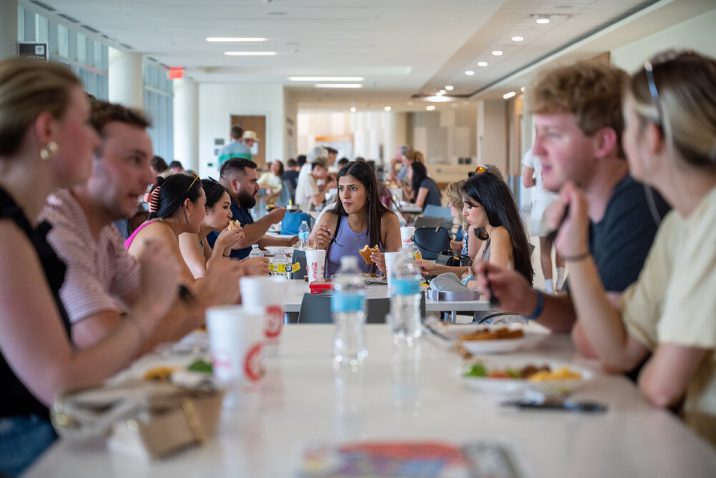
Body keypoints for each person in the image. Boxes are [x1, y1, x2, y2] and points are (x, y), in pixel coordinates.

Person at [0, 58, 179, 476]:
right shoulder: (7, 232)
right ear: (47, 131)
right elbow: (60, 381)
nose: (94, 141)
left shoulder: (26, 225)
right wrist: (151, 308)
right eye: (84, 123)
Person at [553, 50, 716, 446]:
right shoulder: (681, 224)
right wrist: (576, 254)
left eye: (627, 126)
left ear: (652, 138)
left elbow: (661, 388)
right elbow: (618, 351)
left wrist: (649, 371)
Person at [473, 61, 669, 344]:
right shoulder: (587, 209)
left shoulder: (636, 211)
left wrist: (575, 255)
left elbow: (603, 342)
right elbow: (580, 314)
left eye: (552, 134)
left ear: (603, 143)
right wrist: (530, 301)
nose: (537, 151)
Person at [42, 99, 219, 352]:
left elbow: (168, 312)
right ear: (84, 157)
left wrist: (203, 298)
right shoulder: (57, 229)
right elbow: (106, 345)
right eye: (134, 160)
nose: (149, 177)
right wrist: (211, 295)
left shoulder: (105, 231)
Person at [125, 174, 242, 305]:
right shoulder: (160, 230)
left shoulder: (164, 228)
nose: (204, 213)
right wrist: (243, 269)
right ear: (187, 206)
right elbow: (191, 292)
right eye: (204, 205)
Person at [309, 161, 401, 276]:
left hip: (375, 293)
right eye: (341, 188)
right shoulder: (329, 218)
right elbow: (313, 274)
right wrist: (319, 249)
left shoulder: (387, 221)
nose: (345, 195)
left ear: (368, 191)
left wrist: (388, 268)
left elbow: (400, 274)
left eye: (353, 188)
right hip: (333, 292)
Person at [209, 158, 297, 260]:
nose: (258, 187)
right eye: (253, 181)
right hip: (231, 270)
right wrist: (270, 218)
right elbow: (238, 240)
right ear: (235, 184)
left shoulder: (239, 201)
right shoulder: (219, 202)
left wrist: (287, 242)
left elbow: (254, 238)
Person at [179, 178, 269, 278]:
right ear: (204, 208)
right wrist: (221, 243)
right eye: (225, 207)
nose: (230, 214)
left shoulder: (201, 237)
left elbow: (219, 272)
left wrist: (227, 246)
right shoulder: (187, 234)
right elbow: (206, 278)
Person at [462, 170, 534, 290]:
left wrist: (467, 282)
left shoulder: (500, 233)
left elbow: (493, 284)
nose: (464, 213)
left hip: (500, 309)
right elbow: (472, 271)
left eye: (469, 206)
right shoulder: (489, 235)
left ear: (488, 204)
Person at [522, 149, 565, 293]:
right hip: (562, 203)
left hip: (542, 205)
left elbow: (526, 182)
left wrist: (538, 181)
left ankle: (549, 287)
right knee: (561, 248)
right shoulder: (562, 147)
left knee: (545, 250)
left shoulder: (533, 152)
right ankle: (560, 284)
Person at [417, 179, 478, 278]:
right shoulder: (467, 228)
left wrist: (435, 268)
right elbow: (465, 250)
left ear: (460, 204)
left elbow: (469, 270)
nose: (449, 205)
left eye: (451, 201)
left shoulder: (473, 230)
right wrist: (454, 245)